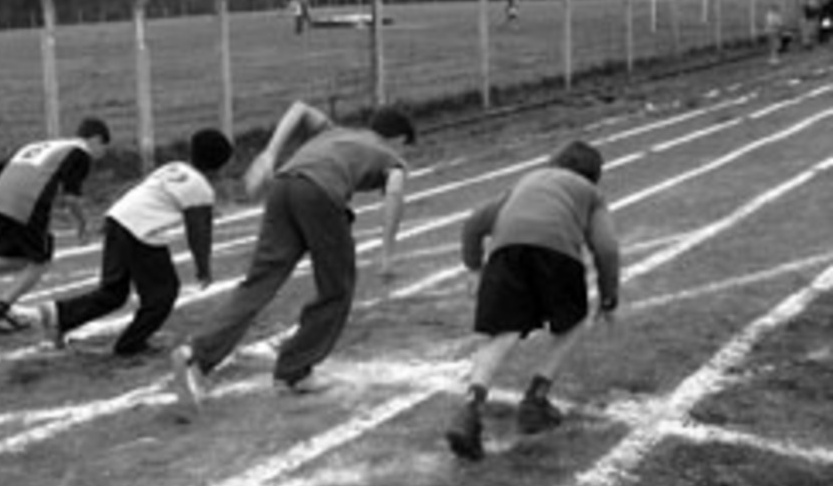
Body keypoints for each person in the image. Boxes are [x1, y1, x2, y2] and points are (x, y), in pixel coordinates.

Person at [171, 101, 415, 410]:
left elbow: (299, 109)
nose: (405, 156)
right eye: (406, 148)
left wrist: (270, 153)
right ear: (398, 139)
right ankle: (294, 371)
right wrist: (387, 252)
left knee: (259, 281)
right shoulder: (391, 157)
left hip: (284, 186)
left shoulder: (334, 132)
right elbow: (394, 193)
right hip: (321, 194)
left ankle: (196, 354)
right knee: (337, 289)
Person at [444, 140, 621, 461]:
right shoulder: (590, 193)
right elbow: (607, 248)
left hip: (505, 254)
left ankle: (470, 408)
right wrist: (608, 298)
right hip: (558, 253)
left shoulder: (526, 182)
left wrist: (474, 268)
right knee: (574, 321)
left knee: (503, 333)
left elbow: (473, 224)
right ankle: (536, 399)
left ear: (555, 162)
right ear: (594, 175)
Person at [34, 129, 233, 357]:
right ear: (220, 166)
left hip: (118, 219)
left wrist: (112, 216)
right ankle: (130, 344)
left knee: (114, 292)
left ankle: (60, 314)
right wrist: (203, 268)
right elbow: (199, 232)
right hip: (140, 232)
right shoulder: (201, 188)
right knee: (163, 295)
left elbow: (139, 188)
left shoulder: (174, 167)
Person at [0, 118, 111, 333]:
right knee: (40, 262)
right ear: (96, 139)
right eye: (103, 148)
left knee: (19, 259)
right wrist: (82, 225)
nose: (101, 155)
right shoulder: (81, 153)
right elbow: (71, 198)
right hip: (26, 205)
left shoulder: (43, 146)